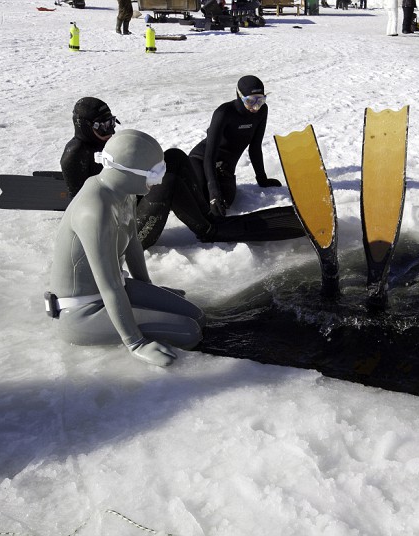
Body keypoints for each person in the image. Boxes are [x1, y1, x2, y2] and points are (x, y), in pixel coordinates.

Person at [48, 129, 206, 367]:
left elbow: (132, 243)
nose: (158, 181)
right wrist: (135, 342)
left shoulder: (124, 193)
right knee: (189, 331)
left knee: (198, 315)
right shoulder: (95, 211)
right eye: (154, 173)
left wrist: (148, 289)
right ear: (126, 172)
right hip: (82, 312)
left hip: (114, 291)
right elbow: (109, 284)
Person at [60, 97, 215, 249]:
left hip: (131, 207)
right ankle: (209, 231)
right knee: (167, 180)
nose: (111, 130)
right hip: (122, 237)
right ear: (84, 126)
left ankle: (208, 217)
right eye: (104, 125)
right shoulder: (75, 154)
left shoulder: (105, 141)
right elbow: (79, 208)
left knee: (174, 157)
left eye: (112, 122)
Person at [189, 76, 283, 217]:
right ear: (239, 96)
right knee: (200, 196)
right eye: (250, 101)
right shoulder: (224, 113)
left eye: (260, 100)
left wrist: (262, 179)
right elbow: (210, 154)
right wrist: (214, 191)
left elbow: (255, 147)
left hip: (224, 169)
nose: (256, 107)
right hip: (201, 159)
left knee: (225, 202)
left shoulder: (262, 112)